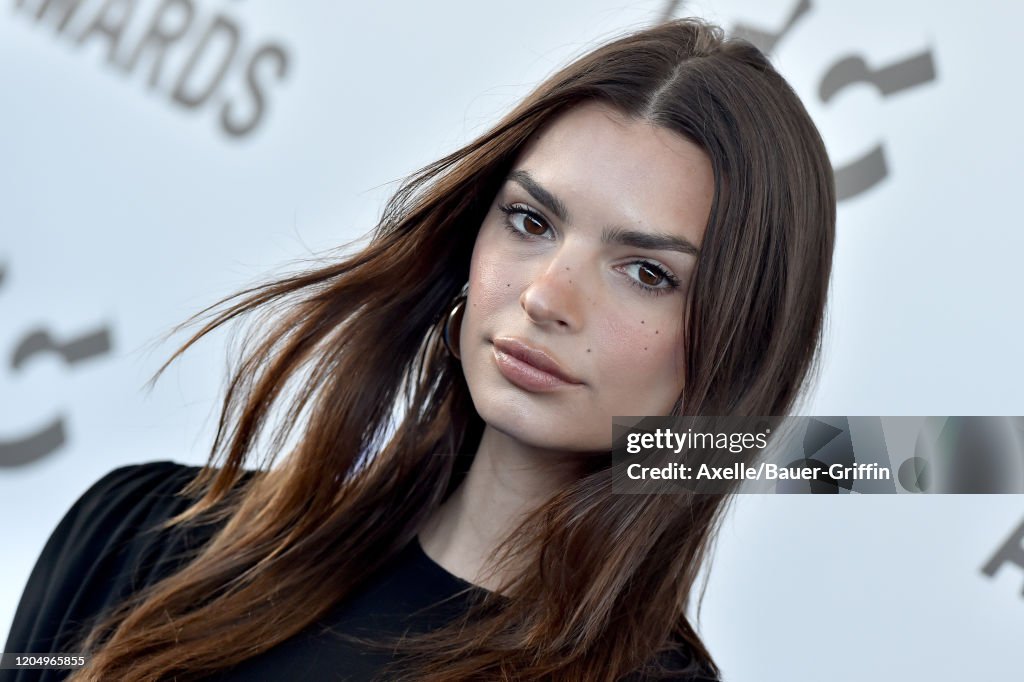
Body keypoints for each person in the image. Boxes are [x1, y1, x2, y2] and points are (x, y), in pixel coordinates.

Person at [2, 16, 835, 682]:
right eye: (531, 221)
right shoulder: (147, 539)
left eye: (647, 272)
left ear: (737, 345)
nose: (546, 296)